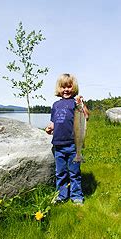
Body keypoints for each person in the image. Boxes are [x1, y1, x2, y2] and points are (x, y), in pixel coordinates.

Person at [46, 73, 88, 205]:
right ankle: (61, 195)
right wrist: (49, 128)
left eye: (69, 87)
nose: (66, 90)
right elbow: (53, 122)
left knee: (74, 173)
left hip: (72, 145)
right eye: (63, 87)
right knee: (61, 173)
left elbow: (86, 116)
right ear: (59, 88)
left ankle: (76, 196)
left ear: (73, 88)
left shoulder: (75, 103)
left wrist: (82, 103)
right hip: (58, 145)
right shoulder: (55, 105)